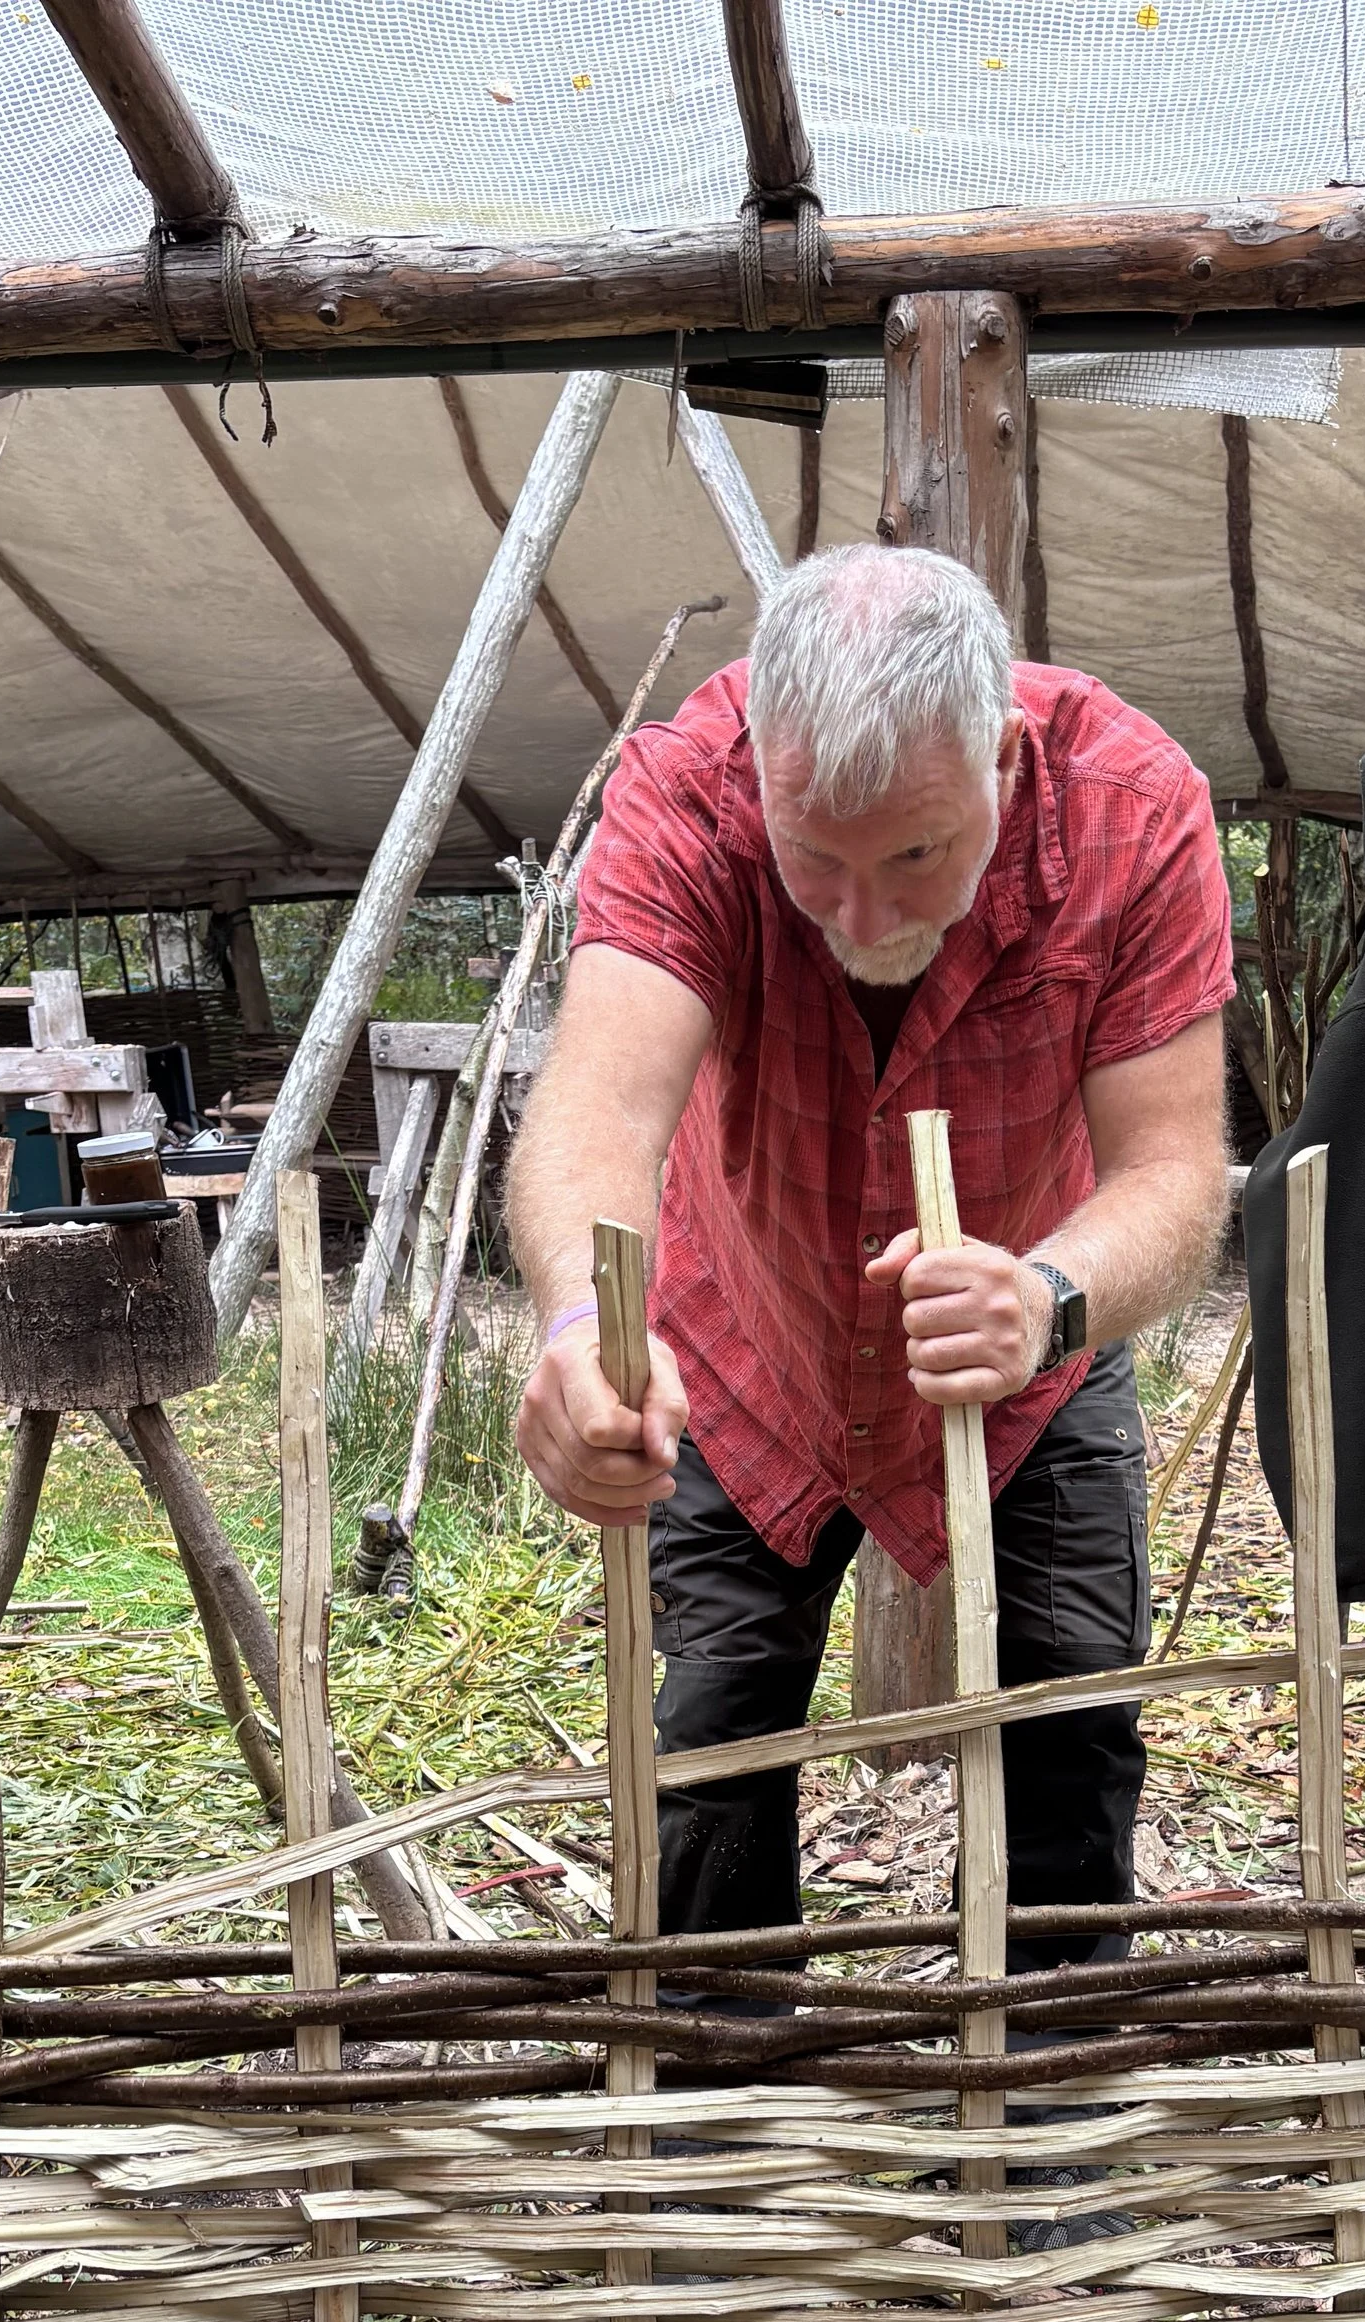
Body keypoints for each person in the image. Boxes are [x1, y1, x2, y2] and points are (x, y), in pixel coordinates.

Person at [508, 543, 1234, 1958]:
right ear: (763, 777)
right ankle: (725, 2112)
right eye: (813, 861)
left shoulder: (1135, 812)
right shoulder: (688, 791)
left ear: (1008, 765)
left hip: (1030, 1339)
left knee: (1071, 1711)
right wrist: (573, 1326)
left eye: (916, 854)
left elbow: (1175, 1174)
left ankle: (1049, 2129)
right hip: (743, 1334)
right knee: (712, 1734)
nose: (861, 918)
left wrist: (1049, 1295)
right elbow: (597, 1107)